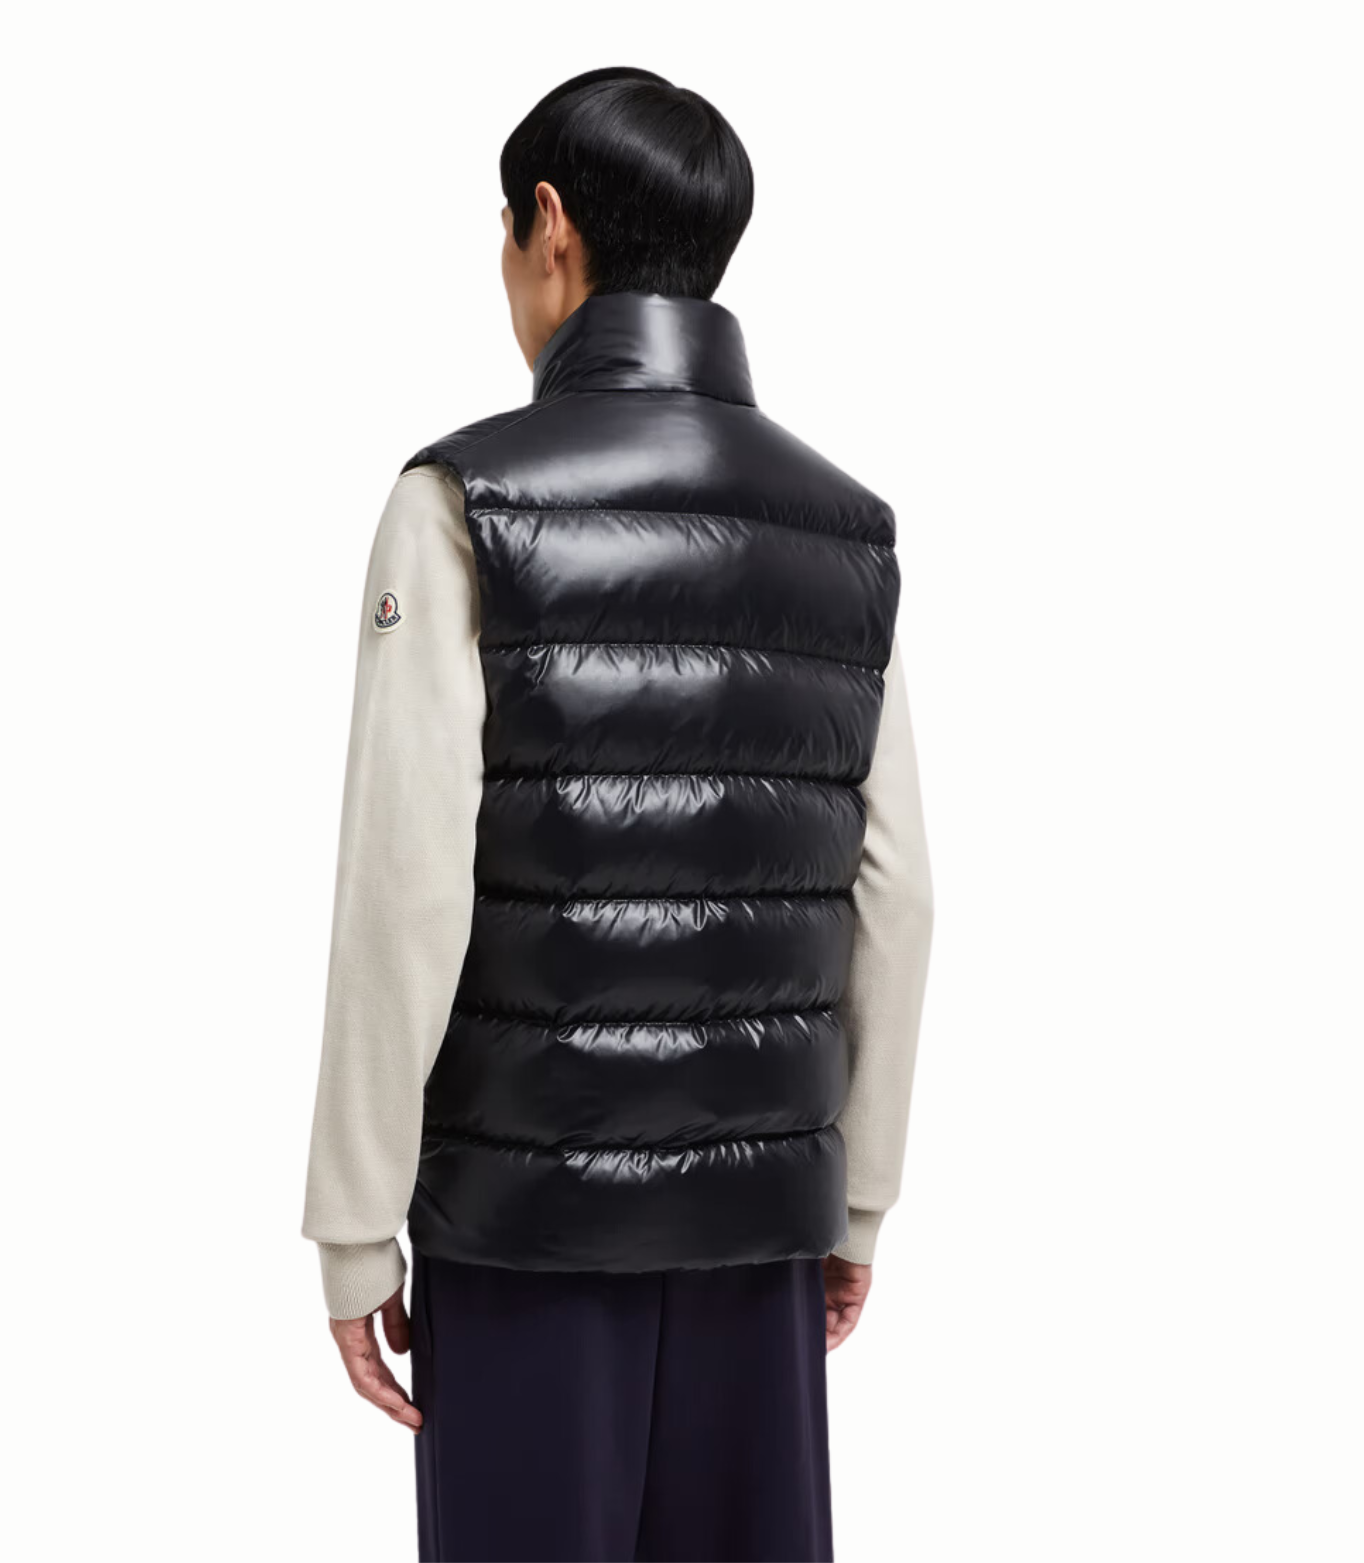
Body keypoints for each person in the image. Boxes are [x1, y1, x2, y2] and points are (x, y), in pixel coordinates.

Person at [302, 66, 934, 1563]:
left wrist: (353, 1223)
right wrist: (856, 1201)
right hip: (763, 1225)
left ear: (549, 224)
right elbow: (897, 890)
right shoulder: (843, 528)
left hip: (524, 1230)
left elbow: (405, 885)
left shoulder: (461, 499)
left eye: (503, 230)